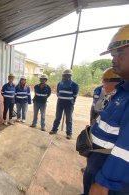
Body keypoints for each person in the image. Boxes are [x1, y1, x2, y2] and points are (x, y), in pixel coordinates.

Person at [83, 25, 129, 195]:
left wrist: (104, 182)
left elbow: (126, 150)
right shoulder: (122, 91)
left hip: (111, 182)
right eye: (112, 55)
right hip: (98, 164)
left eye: (120, 54)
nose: (113, 60)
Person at [49, 69, 79, 139]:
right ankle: (54, 130)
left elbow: (75, 96)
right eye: (63, 75)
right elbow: (58, 93)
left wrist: (72, 103)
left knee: (68, 119)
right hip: (60, 103)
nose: (63, 76)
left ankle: (69, 133)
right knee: (57, 117)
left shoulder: (75, 85)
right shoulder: (60, 83)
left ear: (69, 76)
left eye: (65, 75)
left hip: (69, 104)